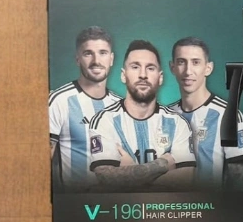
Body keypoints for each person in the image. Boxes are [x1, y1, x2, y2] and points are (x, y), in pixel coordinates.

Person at [88, 40, 195, 190]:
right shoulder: (104, 121)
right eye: (135, 67)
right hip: (121, 206)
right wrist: (162, 164)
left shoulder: (178, 123)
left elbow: (186, 179)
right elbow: (106, 178)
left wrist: (130, 173)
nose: (143, 75)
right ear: (123, 75)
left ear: (160, 77)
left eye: (150, 68)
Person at [167, 37, 243, 188]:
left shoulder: (228, 116)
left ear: (208, 68)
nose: (188, 71)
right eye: (181, 62)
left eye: (196, 62)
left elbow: (240, 179)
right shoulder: (166, 116)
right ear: (172, 67)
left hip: (211, 202)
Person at [49, 26, 120, 190]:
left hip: (115, 201)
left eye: (103, 53)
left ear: (111, 59)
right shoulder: (59, 100)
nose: (96, 60)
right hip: (76, 201)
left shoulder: (119, 105)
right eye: (88, 53)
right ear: (77, 59)